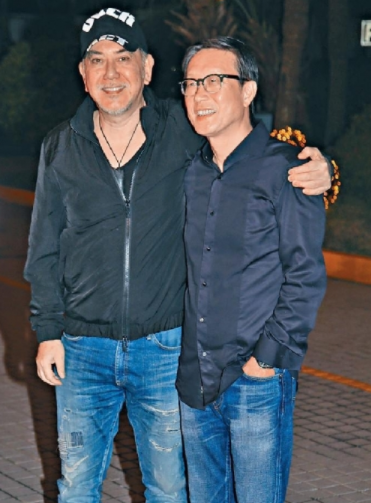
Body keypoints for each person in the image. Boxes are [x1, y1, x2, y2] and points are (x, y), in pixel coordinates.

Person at [24, 8, 331, 503]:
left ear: (147, 68)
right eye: (97, 60)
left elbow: (254, 150)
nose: (111, 72)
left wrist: (323, 167)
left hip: (164, 348)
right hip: (83, 348)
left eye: (124, 58)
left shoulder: (182, 130)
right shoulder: (60, 147)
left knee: (168, 489)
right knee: (76, 486)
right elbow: (44, 247)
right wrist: (47, 332)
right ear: (82, 73)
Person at [176, 36, 327, 503]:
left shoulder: (286, 170)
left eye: (214, 81)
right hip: (195, 380)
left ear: (247, 91)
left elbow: (305, 275)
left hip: (255, 381)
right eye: (190, 84)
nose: (199, 94)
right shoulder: (191, 172)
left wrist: (265, 360)